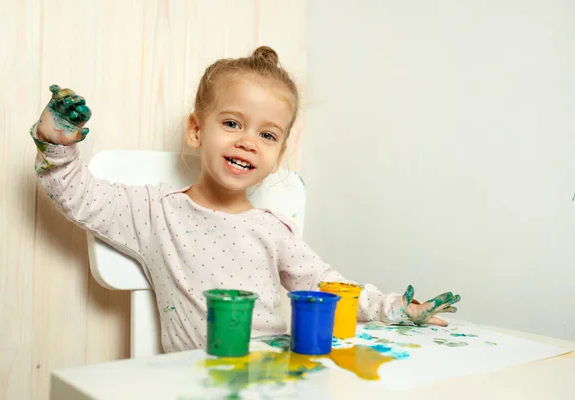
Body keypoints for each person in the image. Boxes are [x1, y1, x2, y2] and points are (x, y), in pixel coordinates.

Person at [30, 46, 461, 353]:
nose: (249, 142)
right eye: (233, 122)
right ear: (197, 131)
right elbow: (79, 195)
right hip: (196, 381)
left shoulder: (274, 228)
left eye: (267, 134)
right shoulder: (155, 211)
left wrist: (397, 308)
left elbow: (328, 286)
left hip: (273, 379)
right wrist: (56, 145)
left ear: (278, 157)